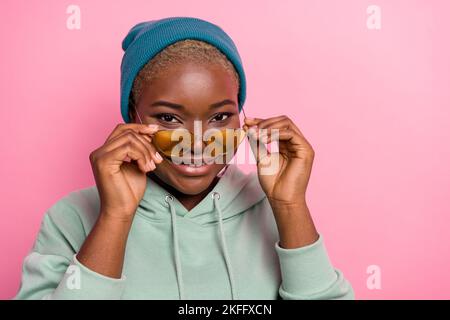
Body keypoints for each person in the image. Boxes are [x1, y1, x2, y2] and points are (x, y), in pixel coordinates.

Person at [15, 17, 354, 300]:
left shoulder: (273, 208)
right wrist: (115, 216)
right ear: (133, 116)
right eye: (168, 118)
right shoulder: (72, 218)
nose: (196, 142)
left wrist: (290, 206)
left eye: (220, 117)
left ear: (242, 117)